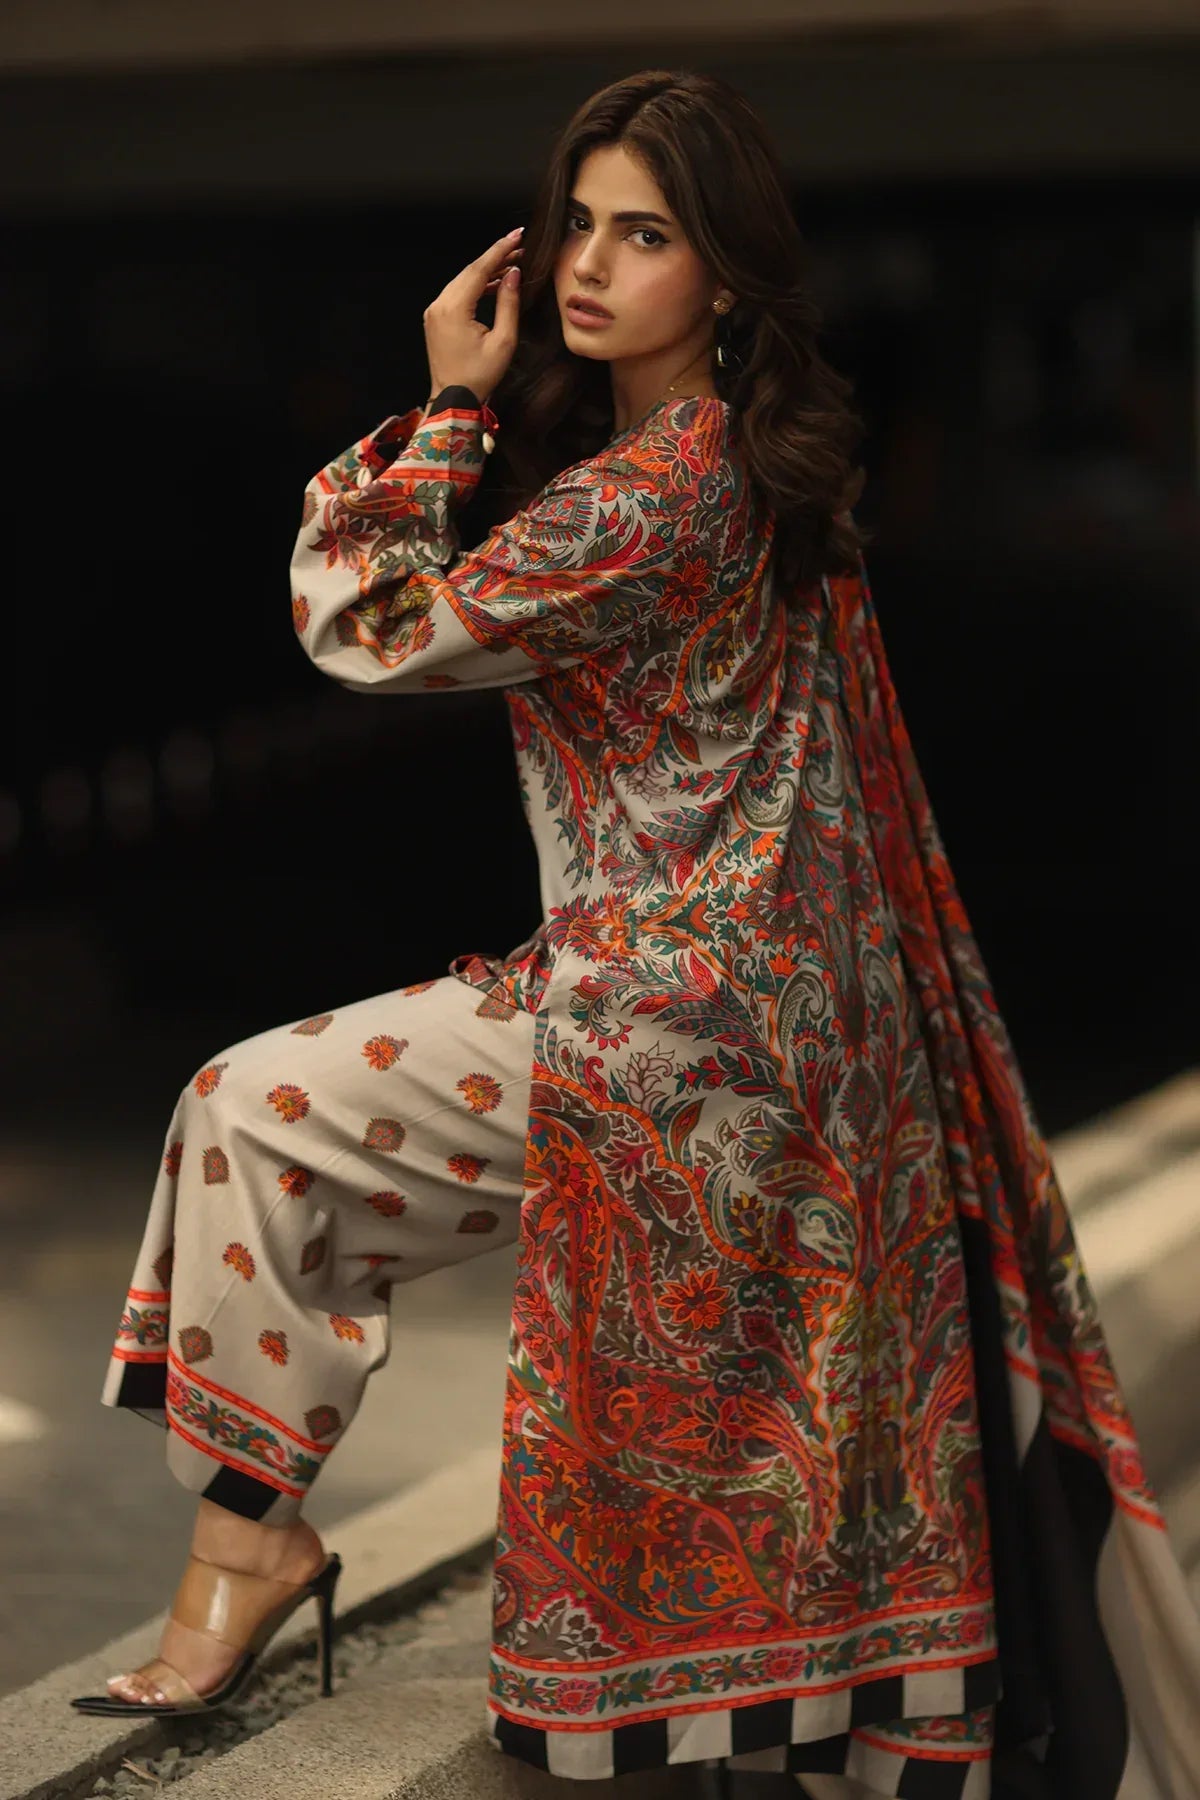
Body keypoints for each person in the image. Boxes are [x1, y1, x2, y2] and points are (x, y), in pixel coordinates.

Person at [72, 66, 1200, 1800]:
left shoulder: (647, 501)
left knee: (248, 1111)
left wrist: (447, 407)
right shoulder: (750, 471)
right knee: (304, 1142)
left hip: (665, 1036)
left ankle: (248, 1551)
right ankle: (782, 1692)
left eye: (645, 234)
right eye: (580, 223)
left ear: (728, 278)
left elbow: (370, 624)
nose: (591, 266)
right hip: (800, 1043)